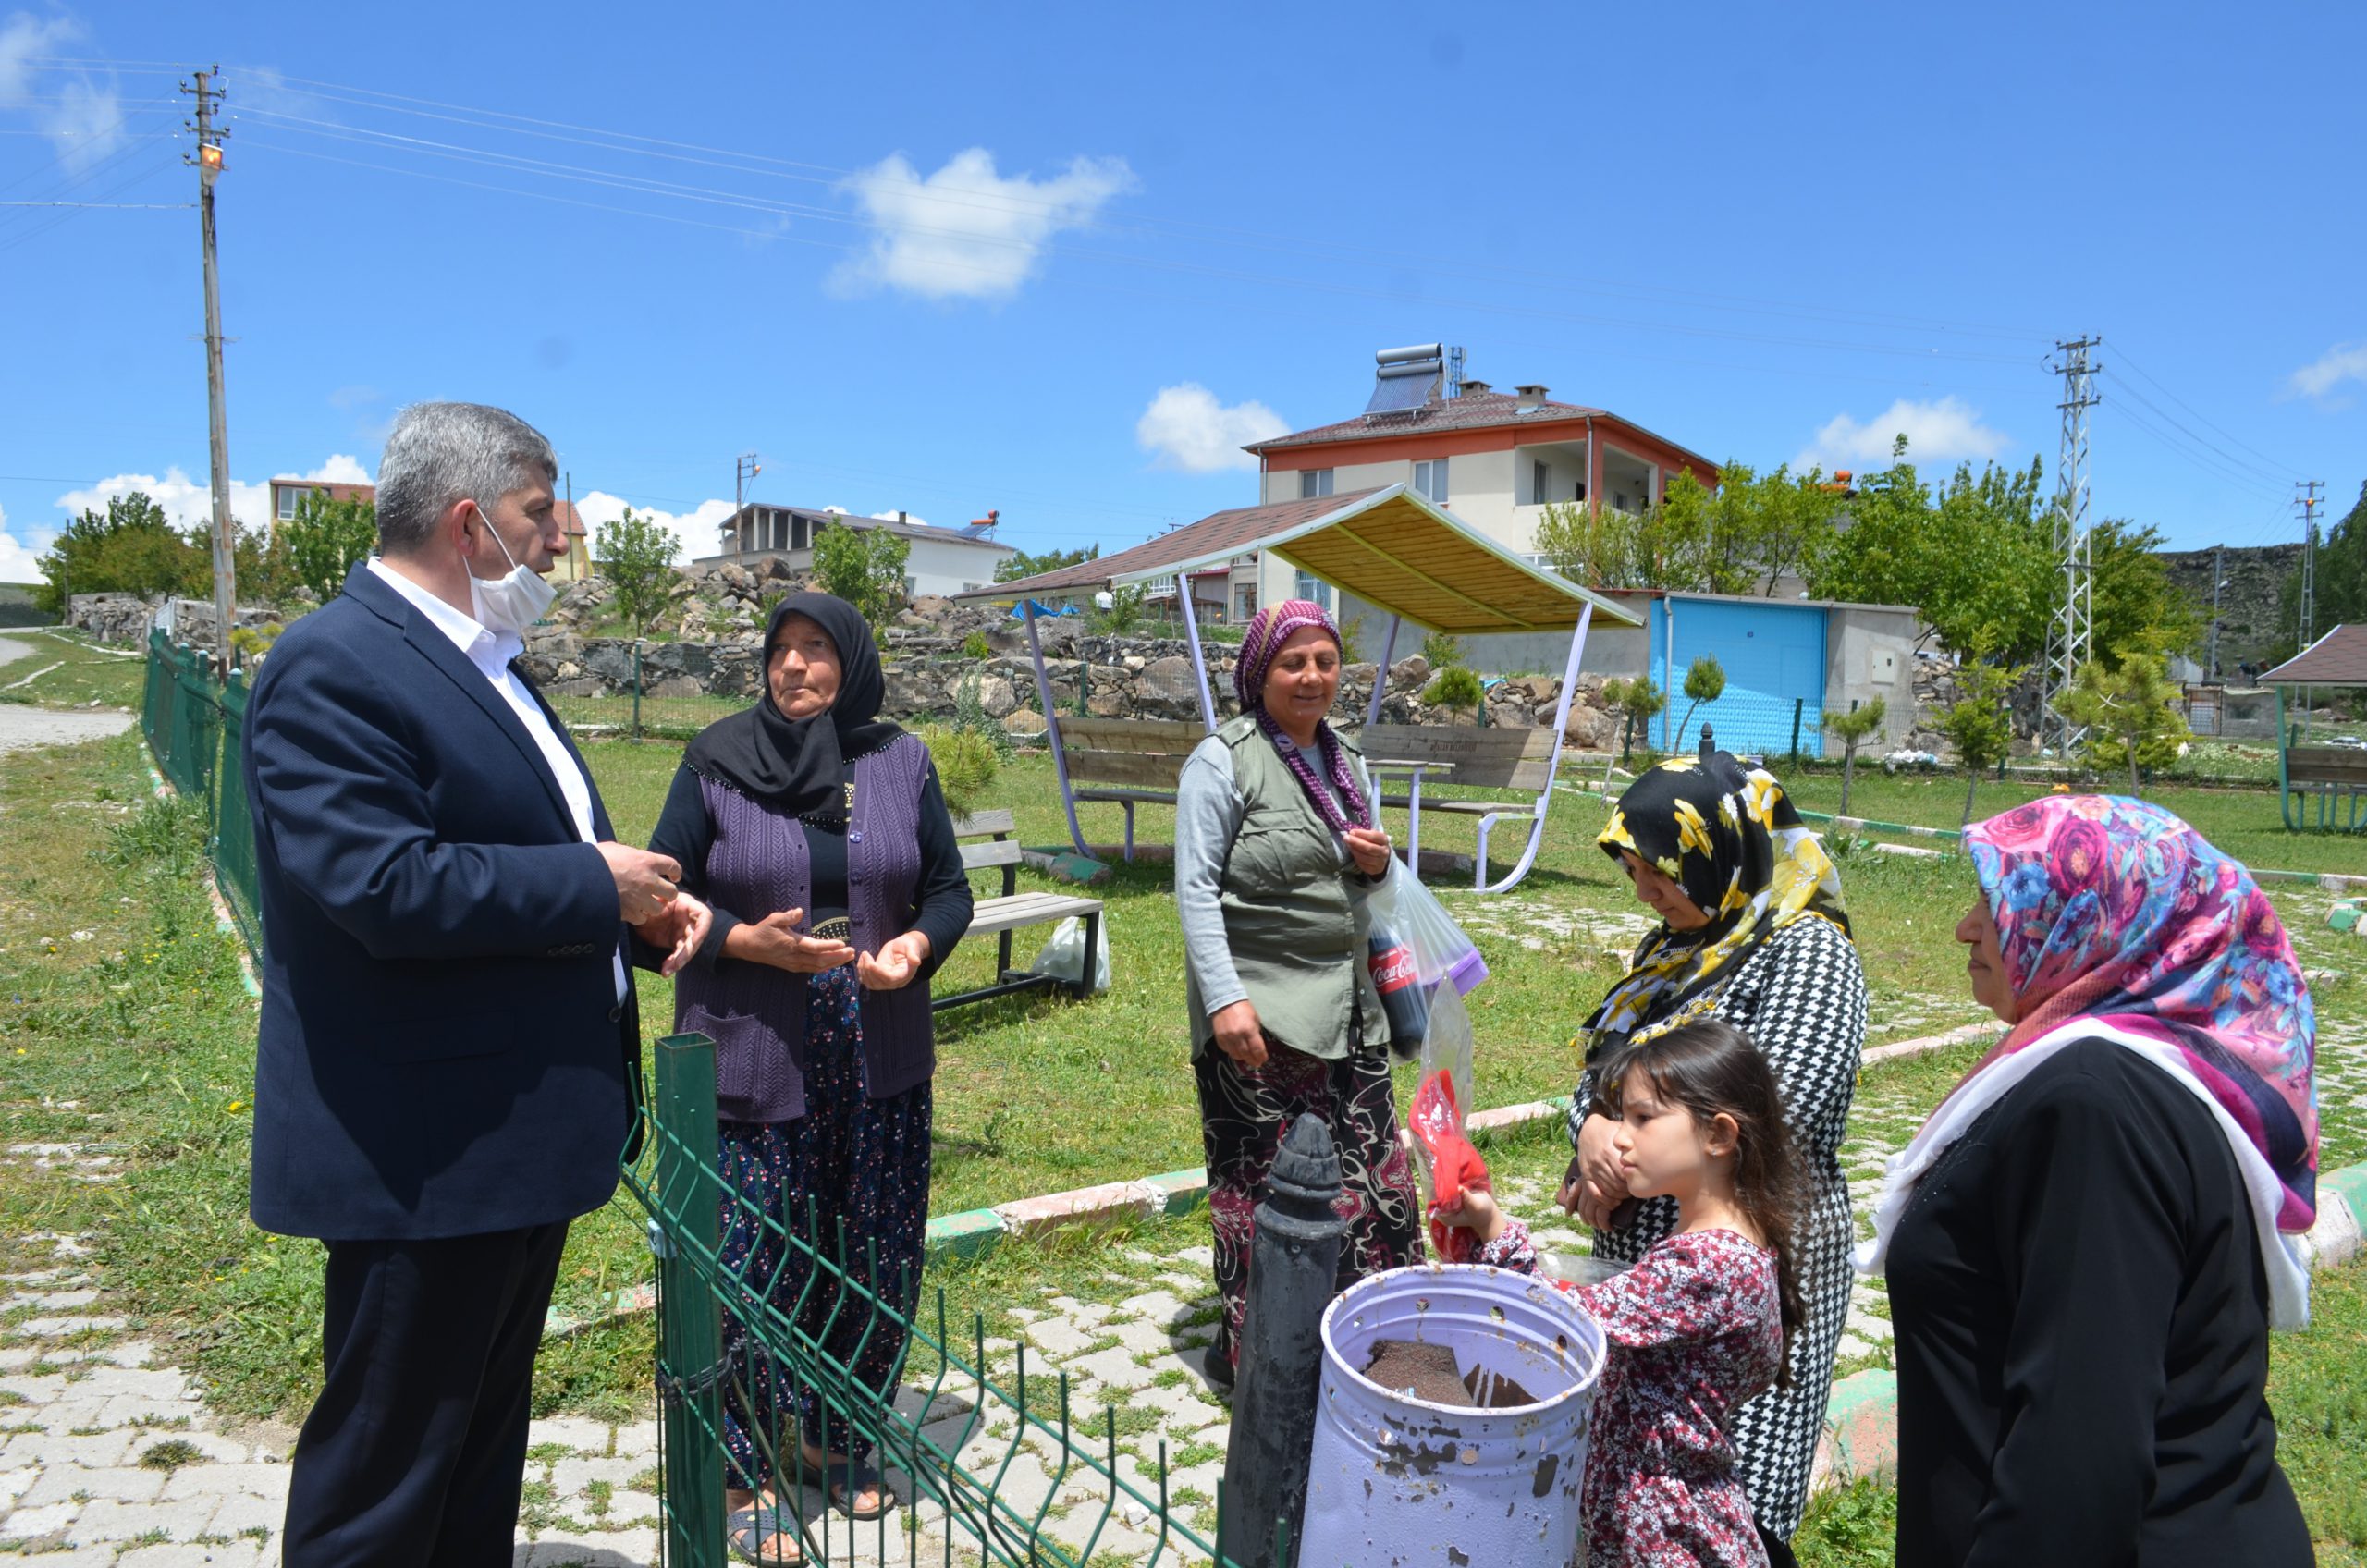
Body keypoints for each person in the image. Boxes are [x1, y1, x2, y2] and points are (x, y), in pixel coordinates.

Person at [242, 402, 707, 1566]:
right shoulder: (332, 666)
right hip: (426, 1155)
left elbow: (536, 856)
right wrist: (595, 888)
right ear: (467, 521)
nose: (562, 538)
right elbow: (383, 885)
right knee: (386, 1478)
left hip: (510, 1145)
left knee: (474, 1456)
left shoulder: (487, 666)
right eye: (540, 513)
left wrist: (647, 918)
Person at [1860, 796, 2318, 1566]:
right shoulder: (2126, 1080)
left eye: (1998, 902)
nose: (1967, 928)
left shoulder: (2094, 1108)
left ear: (2097, 920)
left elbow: (2075, 1451)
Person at [648, 593, 973, 1562]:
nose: (794, 667)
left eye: (816, 649)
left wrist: (914, 945)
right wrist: (745, 941)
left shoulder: (899, 759)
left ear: (854, 663)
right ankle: (742, 1467)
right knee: (752, 1260)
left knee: (869, 1249)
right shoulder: (715, 760)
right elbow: (656, 898)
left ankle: (840, 1437)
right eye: (780, 651)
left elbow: (948, 887)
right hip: (753, 1039)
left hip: (877, 1045)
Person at [1559, 752, 1863, 1560]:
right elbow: (1601, 1076)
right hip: (1647, 1261)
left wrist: (1614, 1151)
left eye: (1657, 872)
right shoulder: (1673, 950)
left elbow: (1779, 1113)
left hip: (1744, 1260)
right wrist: (1592, 1129)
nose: (1646, 893)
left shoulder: (1807, 953)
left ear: (1717, 850)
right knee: (1646, 1479)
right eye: (1635, 874)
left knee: (1733, 1499)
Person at [1446, 1019, 1805, 1568]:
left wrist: (1494, 1228)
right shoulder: (1724, 1244)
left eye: (1642, 1119)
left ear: (1718, 1136)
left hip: (1665, 1538)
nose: (1618, 1136)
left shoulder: (1708, 1263)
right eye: (1620, 1117)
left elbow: (1560, 1325)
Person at [1174, 598, 1420, 1390]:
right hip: (1263, 1017)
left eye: (1324, 660)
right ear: (1260, 672)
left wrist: (1380, 865)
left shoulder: (1346, 758)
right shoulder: (1224, 761)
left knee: (1380, 1194)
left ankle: (1366, 1361)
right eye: (1293, 662)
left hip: (1349, 1013)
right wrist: (1225, 1001)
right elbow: (1195, 891)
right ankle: (1262, 1372)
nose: (1311, 677)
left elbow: (1369, 882)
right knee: (1266, 1202)